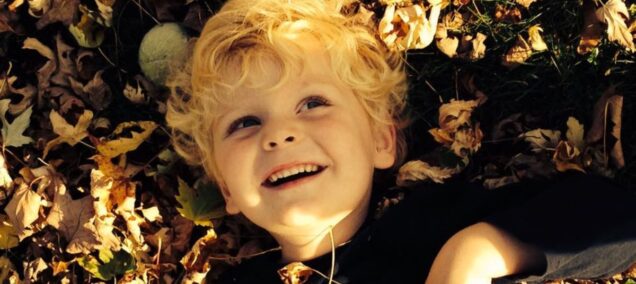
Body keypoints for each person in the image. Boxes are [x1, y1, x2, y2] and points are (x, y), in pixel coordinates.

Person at [165, 0, 636, 283]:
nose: (279, 134)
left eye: (312, 104)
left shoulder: (430, 226)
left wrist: (474, 254)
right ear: (225, 187)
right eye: (244, 122)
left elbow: (618, 221)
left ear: (380, 142)